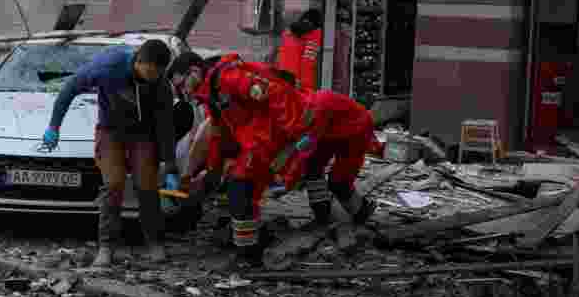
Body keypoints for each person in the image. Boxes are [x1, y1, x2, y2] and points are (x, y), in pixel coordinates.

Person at [167, 51, 377, 265]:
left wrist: (292, 145)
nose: (184, 92)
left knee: (333, 181)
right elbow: (219, 134)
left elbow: (275, 95)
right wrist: (213, 171)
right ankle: (258, 247)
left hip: (304, 130)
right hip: (270, 136)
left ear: (194, 71)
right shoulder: (212, 93)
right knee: (260, 180)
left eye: (183, 85)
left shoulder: (227, 78)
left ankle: (251, 254)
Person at [43, 39, 179, 267]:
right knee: (113, 184)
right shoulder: (108, 66)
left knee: (147, 184)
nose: (153, 77)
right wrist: (54, 126)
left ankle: (155, 242)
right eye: (149, 72)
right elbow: (70, 88)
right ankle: (106, 246)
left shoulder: (161, 84)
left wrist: (170, 164)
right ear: (139, 62)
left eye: (158, 73)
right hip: (110, 131)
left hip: (142, 134)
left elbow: (165, 125)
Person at [276, 8, 323, 90]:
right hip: (296, 83)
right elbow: (307, 63)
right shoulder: (314, 35)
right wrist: (306, 88)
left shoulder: (287, 33)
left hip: (281, 77)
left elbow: (279, 57)